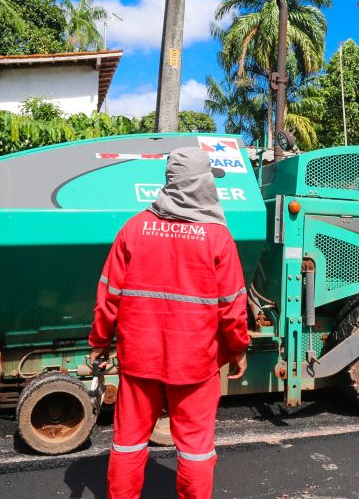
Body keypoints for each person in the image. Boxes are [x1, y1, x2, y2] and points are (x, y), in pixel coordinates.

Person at [88, 147, 250, 499]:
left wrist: (99, 342)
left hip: (138, 358)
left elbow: (108, 296)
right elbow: (233, 308)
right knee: (194, 448)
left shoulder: (133, 228)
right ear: (203, 184)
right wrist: (238, 349)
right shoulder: (217, 237)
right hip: (195, 363)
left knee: (128, 442)